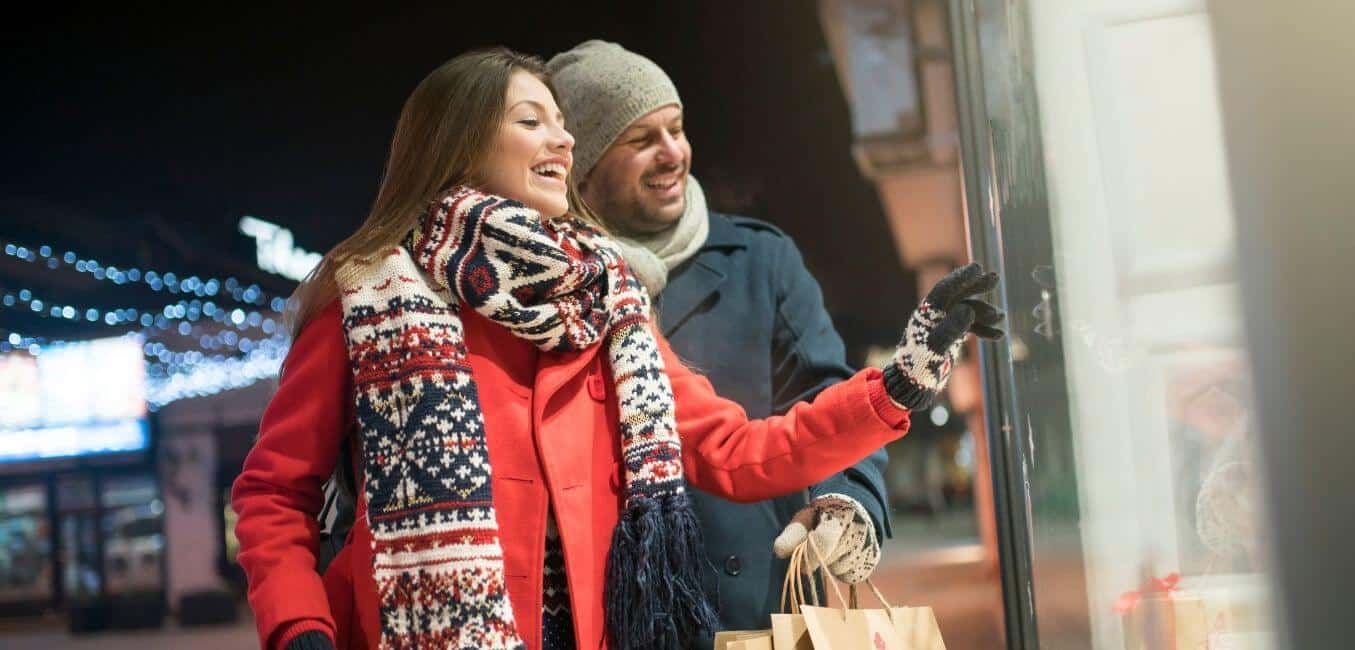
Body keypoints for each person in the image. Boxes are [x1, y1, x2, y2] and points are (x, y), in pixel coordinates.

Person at [231, 48, 1002, 650]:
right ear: (459, 142)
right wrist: (301, 630)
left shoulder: (605, 298)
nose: (562, 138)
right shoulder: (368, 292)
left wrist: (900, 380)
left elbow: (733, 451)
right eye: (532, 120)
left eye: (561, 122)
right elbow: (275, 495)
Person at [545, 40, 889, 645]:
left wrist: (846, 501)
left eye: (676, 129)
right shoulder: (551, 287)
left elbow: (829, 390)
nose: (672, 153)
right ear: (584, 166)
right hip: (613, 616)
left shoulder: (761, 260)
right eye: (641, 139)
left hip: (756, 608)